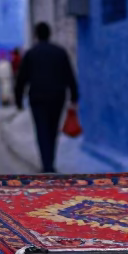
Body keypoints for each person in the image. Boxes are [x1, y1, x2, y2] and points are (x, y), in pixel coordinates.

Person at [15, 22, 79, 173]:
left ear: (37, 35)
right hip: (57, 97)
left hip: (38, 97)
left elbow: (21, 79)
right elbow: (69, 75)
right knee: (52, 129)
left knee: (42, 130)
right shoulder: (60, 52)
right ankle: (50, 162)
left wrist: (18, 100)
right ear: (49, 34)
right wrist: (74, 96)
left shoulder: (31, 54)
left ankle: (46, 164)